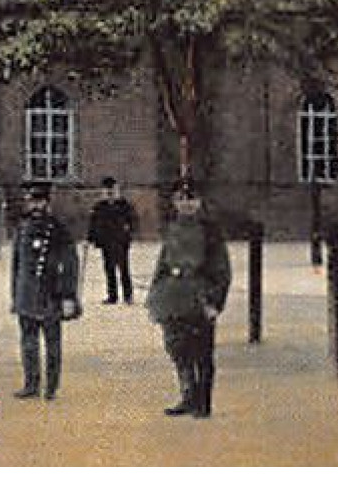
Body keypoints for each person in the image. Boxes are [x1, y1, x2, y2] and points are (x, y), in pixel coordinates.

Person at [147, 179, 231, 419]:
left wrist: (215, 302)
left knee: (202, 352)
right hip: (173, 297)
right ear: (175, 202)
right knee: (178, 350)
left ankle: (203, 403)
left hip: (199, 297)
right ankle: (188, 395)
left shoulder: (210, 231)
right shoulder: (172, 229)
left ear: (199, 202)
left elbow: (221, 270)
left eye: (191, 199)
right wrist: (156, 295)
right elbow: (162, 264)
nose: (186, 204)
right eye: (181, 199)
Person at [9, 182, 80, 401]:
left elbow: (70, 264)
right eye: (32, 201)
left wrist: (69, 295)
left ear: (47, 203)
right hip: (26, 294)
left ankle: (51, 386)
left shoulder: (58, 230)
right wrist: (15, 295)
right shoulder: (22, 228)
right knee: (28, 342)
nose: (36, 206)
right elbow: (16, 265)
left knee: (52, 343)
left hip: (51, 294)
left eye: (40, 201)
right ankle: (31, 384)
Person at [87, 176, 138, 304]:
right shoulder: (99, 207)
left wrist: (129, 233)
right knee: (109, 269)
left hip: (120, 242)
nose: (110, 194)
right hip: (105, 242)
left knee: (123, 269)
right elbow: (93, 224)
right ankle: (112, 295)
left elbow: (133, 221)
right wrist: (90, 238)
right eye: (107, 191)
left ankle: (127, 295)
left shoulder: (124, 205)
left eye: (112, 191)